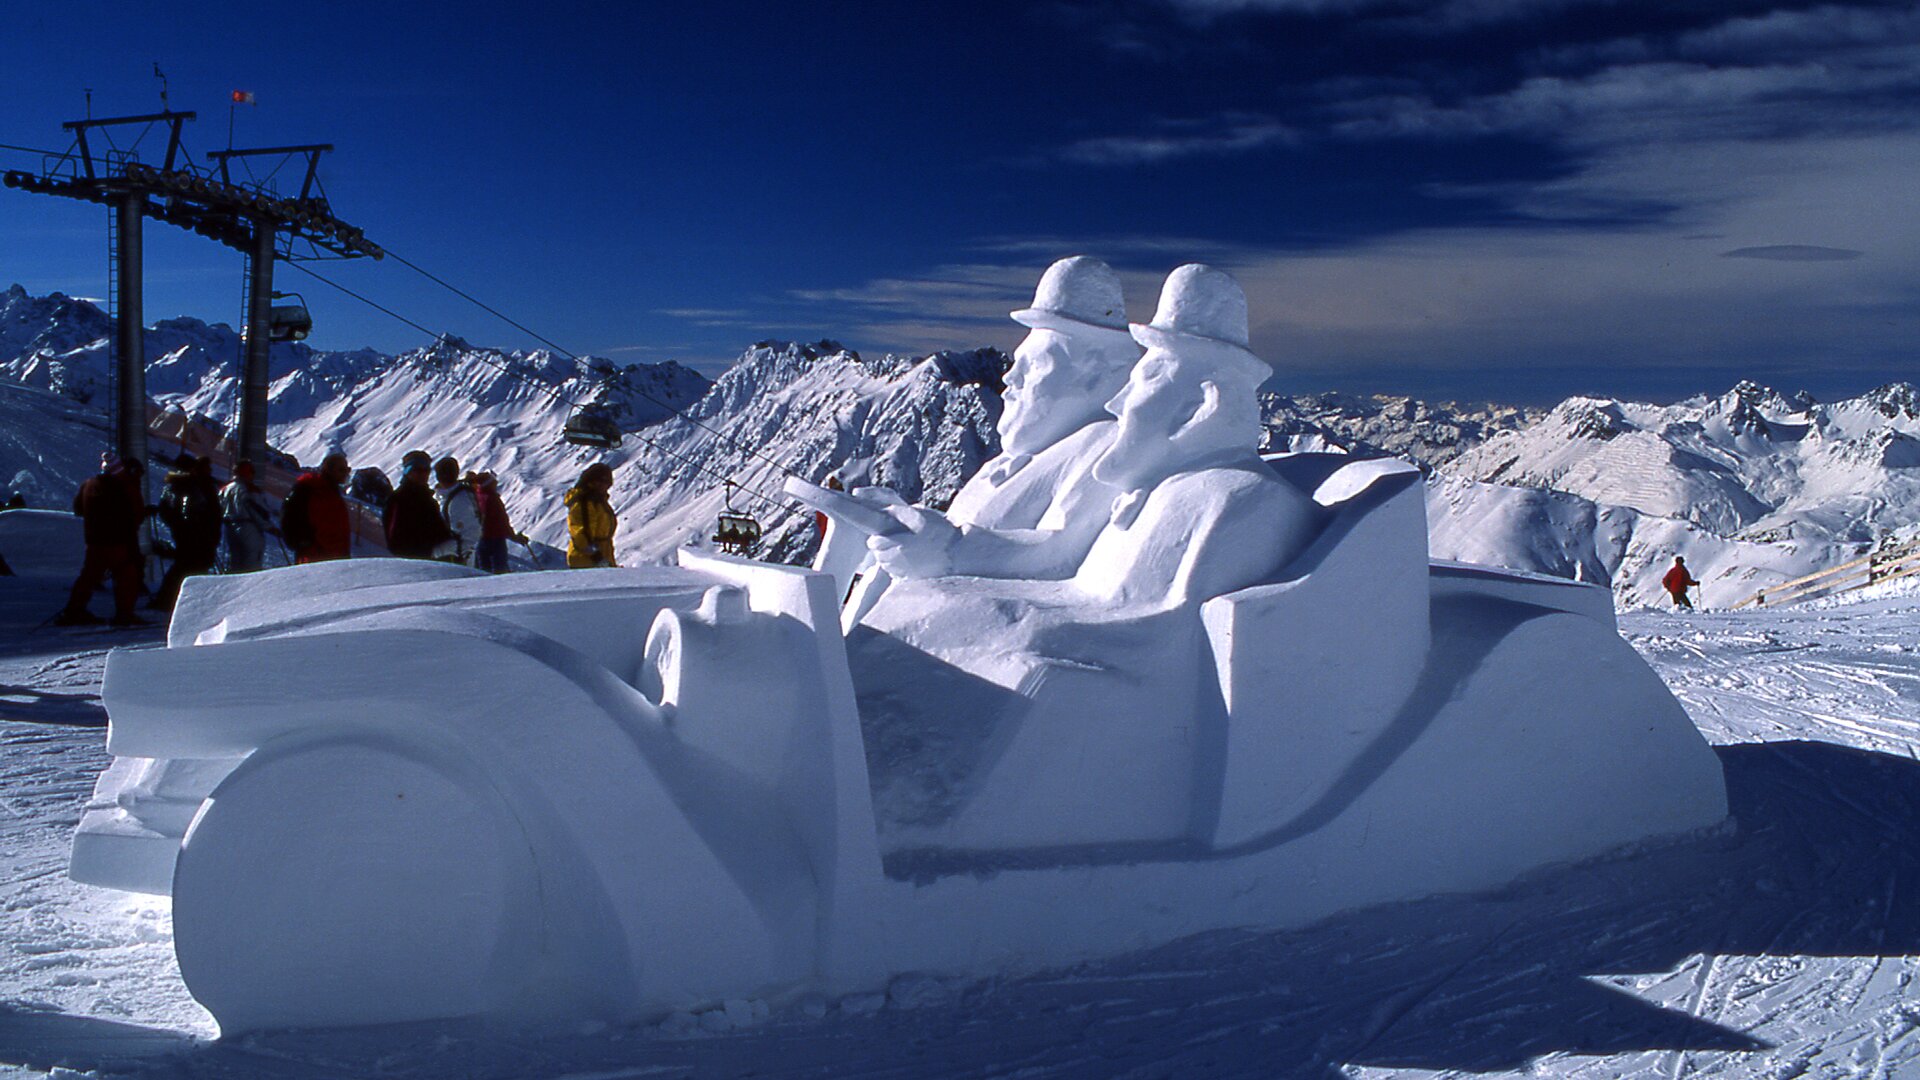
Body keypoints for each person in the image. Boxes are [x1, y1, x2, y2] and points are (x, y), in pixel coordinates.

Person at [863, 256, 1139, 585]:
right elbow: (961, 525)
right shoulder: (1011, 459)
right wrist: (904, 524)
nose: (1009, 378)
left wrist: (947, 553)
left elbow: (1059, 551)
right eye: (1016, 363)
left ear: (1097, 374)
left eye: (1034, 366)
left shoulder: (1102, 450)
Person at [55, 458, 150, 627]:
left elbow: (78, 509)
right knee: (127, 576)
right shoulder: (125, 486)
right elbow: (136, 515)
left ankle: (74, 610)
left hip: (95, 540)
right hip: (119, 540)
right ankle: (125, 615)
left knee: (89, 576)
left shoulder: (89, 484)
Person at [154, 456, 221, 611]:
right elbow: (198, 510)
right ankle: (179, 600)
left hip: (186, 532)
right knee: (192, 565)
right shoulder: (191, 485)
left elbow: (166, 510)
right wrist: (198, 527)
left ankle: (169, 598)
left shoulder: (174, 484)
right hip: (196, 534)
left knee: (185, 565)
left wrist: (177, 525)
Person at [282, 453, 353, 564]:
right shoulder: (312, 489)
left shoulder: (331, 492)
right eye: (341, 470)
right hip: (314, 557)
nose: (346, 474)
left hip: (334, 557)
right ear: (329, 470)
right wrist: (303, 544)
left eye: (347, 470)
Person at [384, 451, 453, 560]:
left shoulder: (428, 499)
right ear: (408, 472)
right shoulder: (398, 499)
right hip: (414, 561)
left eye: (426, 470)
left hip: (435, 557)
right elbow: (392, 539)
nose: (423, 474)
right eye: (418, 470)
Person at [219, 460, 275, 574]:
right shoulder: (248, 489)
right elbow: (256, 510)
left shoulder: (225, 489)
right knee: (251, 562)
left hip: (230, 527)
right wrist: (269, 526)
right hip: (249, 527)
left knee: (235, 561)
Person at [471, 471, 527, 574]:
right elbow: (501, 520)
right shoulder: (493, 498)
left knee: (483, 570)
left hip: (480, 538)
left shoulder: (477, 496)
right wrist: (513, 536)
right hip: (496, 538)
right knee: (500, 570)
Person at [565, 463, 617, 568]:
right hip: (586, 561)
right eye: (603, 482)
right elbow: (580, 533)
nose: (606, 486)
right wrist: (596, 557)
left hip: (600, 557)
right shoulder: (584, 502)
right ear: (592, 482)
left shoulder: (598, 501)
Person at [435, 457, 483, 566]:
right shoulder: (446, 496)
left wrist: (464, 556)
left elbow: (469, 533)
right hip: (454, 555)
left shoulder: (459, 500)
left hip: (458, 557)